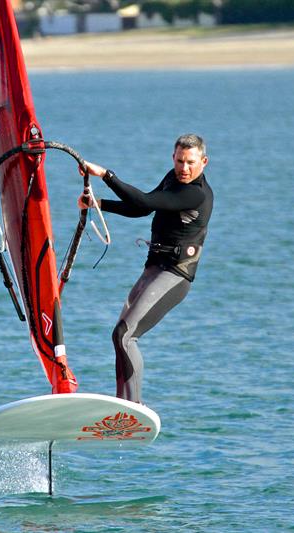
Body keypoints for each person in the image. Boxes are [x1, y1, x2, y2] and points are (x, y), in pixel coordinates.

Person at [79, 134, 214, 404]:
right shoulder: (173, 179)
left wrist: (106, 175)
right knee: (119, 335)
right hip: (154, 268)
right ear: (173, 158)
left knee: (125, 335)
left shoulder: (195, 193)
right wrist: (100, 204)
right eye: (179, 161)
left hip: (174, 276)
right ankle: (124, 404)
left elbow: (144, 202)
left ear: (203, 162)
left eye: (190, 162)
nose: (184, 168)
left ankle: (132, 407)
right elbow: (141, 210)